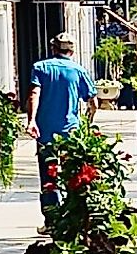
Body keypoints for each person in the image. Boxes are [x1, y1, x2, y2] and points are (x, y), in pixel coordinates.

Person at [28, 33, 96, 207]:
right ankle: (70, 212)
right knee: (72, 173)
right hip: (70, 131)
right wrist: (88, 122)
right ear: (72, 52)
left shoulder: (40, 67)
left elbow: (34, 93)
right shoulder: (79, 71)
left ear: (53, 49)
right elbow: (92, 102)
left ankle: (50, 217)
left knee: (48, 175)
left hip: (45, 130)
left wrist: (32, 120)